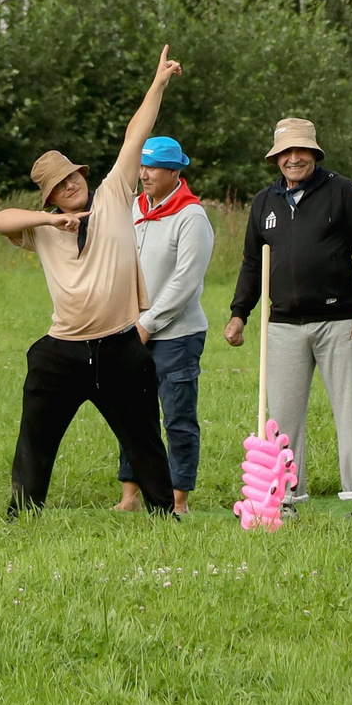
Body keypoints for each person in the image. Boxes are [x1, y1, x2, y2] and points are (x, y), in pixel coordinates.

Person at [0, 47, 186, 520]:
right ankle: (22, 512)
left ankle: (164, 513)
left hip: (120, 346)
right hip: (61, 351)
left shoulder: (114, 196)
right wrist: (50, 221)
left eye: (72, 178)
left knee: (143, 436)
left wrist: (158, 82)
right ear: (52, 196)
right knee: (35, 438)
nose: (69, 187)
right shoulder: (41, 227)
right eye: (59, 187)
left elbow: (134, 134)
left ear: (82, 175)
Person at [225, 117, 352, 521]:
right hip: (281, 325)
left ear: (314, 153)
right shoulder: (264, 202)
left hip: (339, 321)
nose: (293, 158)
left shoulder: (342, 191)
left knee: (351, 411)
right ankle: (287, 501)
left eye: (301, 151)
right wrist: (239, 313)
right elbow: (250, 262)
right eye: (285, 153)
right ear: (276, 158)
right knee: (283, 418)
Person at [115, 134, 211, 516]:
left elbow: (186, 281)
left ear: (174, 171)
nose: (144, 174)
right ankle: (129, 496)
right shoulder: (133, 209)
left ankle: (178, 499)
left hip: (177, 335)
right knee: (131, 416)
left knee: (177, 419)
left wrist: (149, 323)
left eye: (152, 167)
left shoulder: (192, 217)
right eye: (141, 166)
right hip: (129, 329)